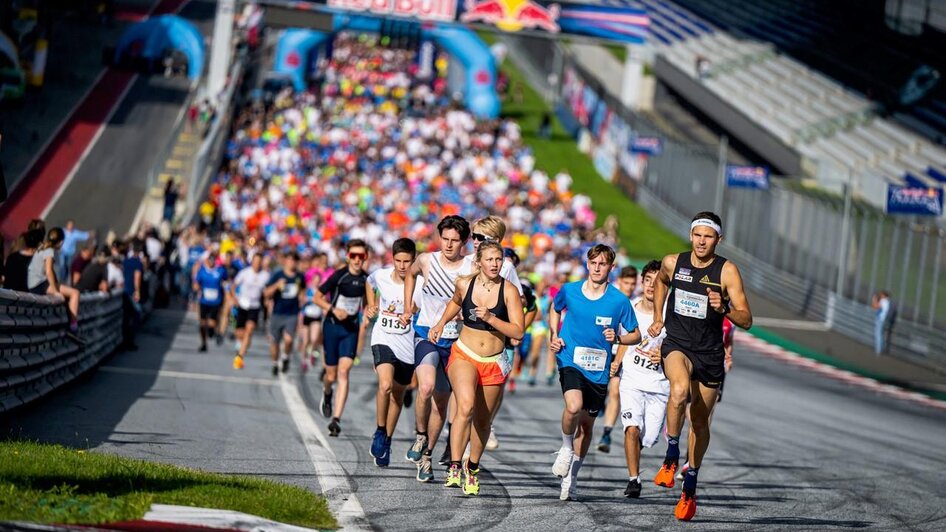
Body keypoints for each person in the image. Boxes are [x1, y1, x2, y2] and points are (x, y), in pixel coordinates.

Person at [650, 212, 752, 521]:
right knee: (679, 391)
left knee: (699, 422)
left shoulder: (727, 272)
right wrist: (658, 316)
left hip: (709, 353)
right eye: (697, 235)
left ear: (718, 240)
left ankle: (690, 482)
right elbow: (660, 283)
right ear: (691, 235)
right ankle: (670, 456)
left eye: (708, 237)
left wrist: (725, 309)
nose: (701, 241)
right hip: (678, 343)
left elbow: (747, 319)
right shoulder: (673, 262)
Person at [549, 244, 641, 501]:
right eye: (593, 263)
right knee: (573, 406)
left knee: (587, 427)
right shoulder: (570, 290)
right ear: (587, 264)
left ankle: (572, 477)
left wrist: (619, 338)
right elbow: (554, 309)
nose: (597, 268)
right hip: (570, 359)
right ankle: (566, 448)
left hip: (598, 370)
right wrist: (554, 335)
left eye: (603, 264)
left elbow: (636, 334)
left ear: (611, 268)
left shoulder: (619, 301)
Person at [432, 241, 524, 496]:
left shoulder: (510, 291)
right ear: (479, 262)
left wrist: (492, 318)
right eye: (490, 259)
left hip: (494, 360)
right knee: (466, 406)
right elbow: (455, 302)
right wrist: (440, 323)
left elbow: (518, 330)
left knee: (483, 421)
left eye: (499, 260)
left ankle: (471, 468)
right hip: (465, 354)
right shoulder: (465, 283)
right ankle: (454, 464)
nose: (495, 264)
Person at [401, 215, 472, 480]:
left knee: (442, 404)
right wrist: (409, 307)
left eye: (455, 240)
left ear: (464, 242)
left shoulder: (470, 267)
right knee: (426, 387)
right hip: (426, 335)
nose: (449, 245)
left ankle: (427, 455)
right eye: (445, 239)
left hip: (455, 343)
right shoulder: (427, 260)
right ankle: (420, 436)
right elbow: (410, 275)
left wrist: (467, 314)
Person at [613, 260, 668, 498]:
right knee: (631, 429)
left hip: (659, 385)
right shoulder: (630, 310)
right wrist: (615, 362)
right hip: (632, 381)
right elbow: (626, 339)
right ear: (641, 282)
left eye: (657, 283)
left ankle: (637, 453)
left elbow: (680, 348)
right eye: (647, 281)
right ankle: (633, 480)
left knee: (650, 438)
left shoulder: (670, 317)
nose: (651, 286)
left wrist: (664, 354)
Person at [365, 238, 419, 468]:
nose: (402, 266)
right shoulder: (381, 275)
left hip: (407, 345)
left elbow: (421, 305)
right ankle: (379, 430)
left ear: (414, 260)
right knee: (385, 385)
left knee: (397, 395)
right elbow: (369, 283)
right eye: (398, 260)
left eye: (407, 261)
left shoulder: (421, 281)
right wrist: (371, 305)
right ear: (392, 259)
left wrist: (413, 309)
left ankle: (387, 439)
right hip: (383, 337)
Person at [314, 239, 369, 437]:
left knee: (344, 372)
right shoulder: (339, 276)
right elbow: (317, 297)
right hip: (332, 327)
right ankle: (327, 393)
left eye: (360, 256)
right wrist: (333, 309)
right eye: (353, 256)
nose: (356, 260)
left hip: (350, 330)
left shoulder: (366, 280)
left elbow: (368, 304)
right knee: (331, 375)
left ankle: (336, 419)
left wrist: (368, 316)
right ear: (348, 257)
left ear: (365, 258)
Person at [598, 265, 639, 453]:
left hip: (624, 352)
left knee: (615, 390)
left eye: (633, 283)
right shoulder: (610, 297)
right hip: (603, 350)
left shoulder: (637, 303)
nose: (630, 287)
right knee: (600, 389)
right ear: (619, 281)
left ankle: (606, 432)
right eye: (626, 283)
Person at [28, 228, 82, 340]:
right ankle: (73, 327)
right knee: (75, 293)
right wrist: (56, 291)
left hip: (33, 283)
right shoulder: (50, 251)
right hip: (39, 284)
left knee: (67, 292)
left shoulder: (42, 247)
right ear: (61, 242)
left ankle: (70, 323)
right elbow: (48, 271)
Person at [264, 252, 305, 376]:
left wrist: (301, 304)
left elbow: (302, 292)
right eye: (290, 260)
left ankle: (286, 357)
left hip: (291, 314)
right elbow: (266, 293)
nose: (292, 263)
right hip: (277, 313)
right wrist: (277, 285)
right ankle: (275, 363)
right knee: (275, 342)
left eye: (294, 260)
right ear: (285, 261)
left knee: (288, 339)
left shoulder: (299, 277)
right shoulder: (278, 275)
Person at [231, 253, 271, 369]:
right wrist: (234, 298)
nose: (257, 264)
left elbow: (266, 291)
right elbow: (234, 285)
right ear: (252, 262)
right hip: (242, 304)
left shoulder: (265, 275)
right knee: (239, 333)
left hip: (255, 306)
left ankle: (240, 357)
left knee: (249, 330)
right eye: (255, 261)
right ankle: (242, 344)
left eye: (259, 262)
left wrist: (267, 300)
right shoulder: (245, 272)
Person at [193, 249, 227, 352]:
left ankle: (214, 332)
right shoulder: (202, 271)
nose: (211, 262)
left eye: (213, 260)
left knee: (211, 324)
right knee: (202, 324)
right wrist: (196, 288)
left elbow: (226, 281)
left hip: (215, 301)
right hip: (204, 301)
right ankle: (203, 344)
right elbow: (196, 283)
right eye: (210, 259)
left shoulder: (220, 270)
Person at [871, 290, 892, 354]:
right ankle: (881, 349)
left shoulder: (883, 301)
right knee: (881, 334)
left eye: (881, 294)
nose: (880, 295)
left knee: (878, 334)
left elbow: (875, 307)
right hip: (883, 319)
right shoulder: (887, 301)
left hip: (880, 319)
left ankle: (878, 350)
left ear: (884, 295)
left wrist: (874, 299)